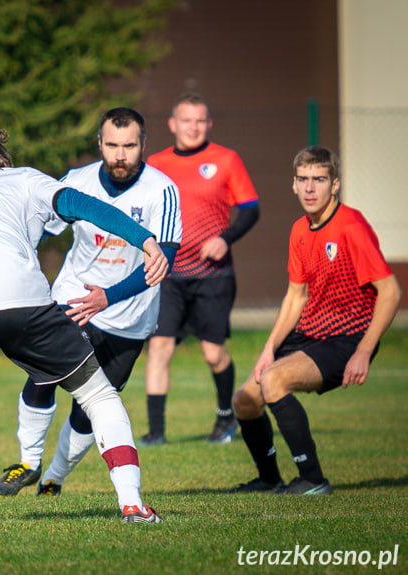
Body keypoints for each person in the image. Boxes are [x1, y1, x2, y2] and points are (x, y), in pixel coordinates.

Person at [0, 122, 169, 524]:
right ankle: (132, 504)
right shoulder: (22, 178)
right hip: (26, 302)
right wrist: (146, 241)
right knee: (98, 396)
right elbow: (84, 205)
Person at [0, 107, 181, 498]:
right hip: (72, 298)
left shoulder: (162, 190)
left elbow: (163, 262)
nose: (120, 155)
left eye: (129, 146)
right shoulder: (76, 181)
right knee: (43, 376)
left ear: (143, 144)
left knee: (90, 409)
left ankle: (53, 478)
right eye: (112, 145)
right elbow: (39, 226)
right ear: (100, 143)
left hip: (129, 318)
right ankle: (28, 462)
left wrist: (107, 297)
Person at [227, 146, 401, 495]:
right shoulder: (299, 230)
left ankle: (313, 479)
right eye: (303, 180)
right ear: (293, 185)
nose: (310, 188)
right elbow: (296, 296)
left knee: (274, 381)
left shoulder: (351, 226)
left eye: (319, 180)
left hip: (348, 338)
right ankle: (269, 478)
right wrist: (268, 348)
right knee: (244, 400)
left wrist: (364, 351)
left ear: (334, 185)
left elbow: (391, 292)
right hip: (308, 333)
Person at [142, 93, 260, 446]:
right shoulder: (156, 163)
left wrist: (226, 238)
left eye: (200, 120)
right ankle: (155, 433)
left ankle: (226, 419)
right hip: (169, 274)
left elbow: (251, 209)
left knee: (213, 353)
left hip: (213, 275)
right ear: (172, 124)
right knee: (159, 348)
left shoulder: (225, 160)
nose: (192, 127)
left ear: (208, 124)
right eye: (186, 120)